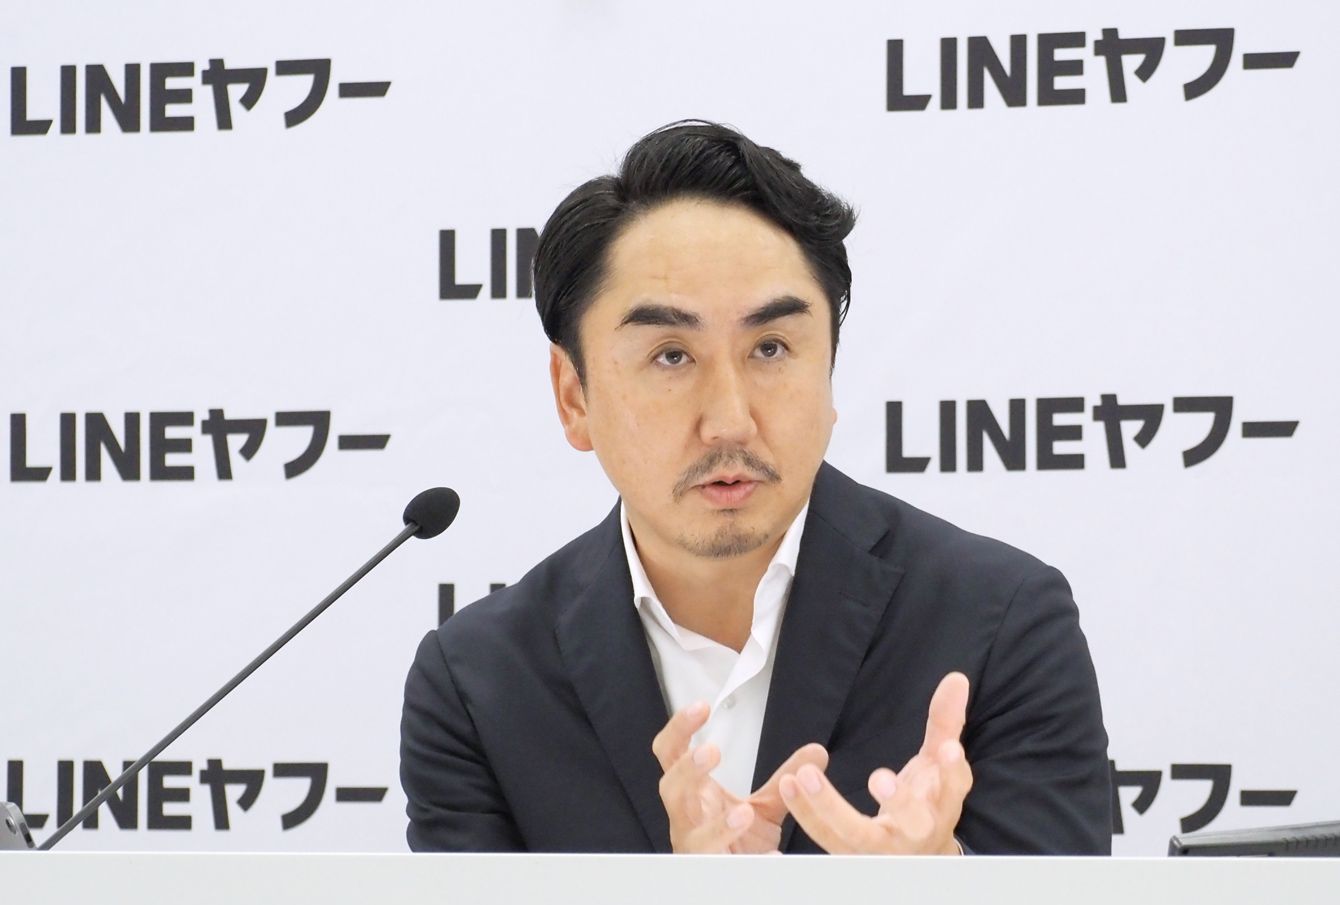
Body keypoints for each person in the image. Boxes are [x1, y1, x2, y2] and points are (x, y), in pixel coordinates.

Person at [401, 121, 1111, 855]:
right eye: (671, 356)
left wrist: (939, 881)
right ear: (574, 396)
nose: (730, 422)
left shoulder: (1000, 622)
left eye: (770, 348)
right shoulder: (478, 683)